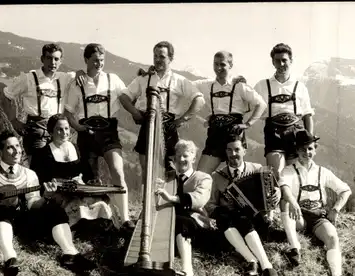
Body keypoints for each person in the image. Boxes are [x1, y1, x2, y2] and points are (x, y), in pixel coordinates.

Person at [0, 130, 95, 276]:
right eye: (10, 147)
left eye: (18, 146)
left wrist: (46, 197)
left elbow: (33, 203)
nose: (16, 151)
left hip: (21, 223)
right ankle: (10, 259)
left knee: (55, 211)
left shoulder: (29, 174)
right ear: (0, 151)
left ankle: (70, 254)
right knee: (3, 210)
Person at [63, 43, 134, 231]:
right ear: (86, 60)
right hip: (86, 133)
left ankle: (126, 219)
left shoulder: (113, 79)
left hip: (108, 131)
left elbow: (130, 95)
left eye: (102, 60)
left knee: (118, 172)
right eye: (95, 60)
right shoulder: (77, 83)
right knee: (91, 179)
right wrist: (78, 127)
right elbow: (69, 112)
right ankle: (95, 219)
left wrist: (143, 76)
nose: (99, 64)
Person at [279, 130, 354, 276]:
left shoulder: (323, 172)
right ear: (297, 150)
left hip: (318, 217)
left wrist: (335, 209)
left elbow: (345, 190)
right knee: (284, 203)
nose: (307, 153)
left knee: (333, 237)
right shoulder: (288, 171)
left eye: (310, 149)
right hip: (298, 217)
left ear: (315, 150)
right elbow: (284, 188)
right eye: (303, 149)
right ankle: (295, 249)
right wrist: (293, 202)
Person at [119, 41, 205, 183]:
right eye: (155, 56)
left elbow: (199, 100)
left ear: (171, 59)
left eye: (162, 57)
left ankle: (170, 200)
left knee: (172, 171)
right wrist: (135, 113)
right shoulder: (144, 78)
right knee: (146, 168)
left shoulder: (179, 80)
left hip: (169, 127)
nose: (158, 60)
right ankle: (147, 203)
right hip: (147, 123)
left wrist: (182, 119)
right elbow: (124, 96)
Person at [31, 114, 134, 230]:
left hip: (80, 191)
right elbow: (40, 180)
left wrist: (90, 182)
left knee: (101, 204)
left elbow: (87, 172)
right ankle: (79, 228)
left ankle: (101, 228)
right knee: (77, 207)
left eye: (66, 128)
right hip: (58, 195)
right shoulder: (42, 154)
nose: (64, 132)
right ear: (51, 132)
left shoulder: (77, 149)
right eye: (59, 129)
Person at [205, 134, 280, 276]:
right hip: (229, 223)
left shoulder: (257, 169)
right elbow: (210, 204)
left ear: (244, 150)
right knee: (228, 217)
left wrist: (277, 193)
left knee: (243, 218)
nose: (233, 154)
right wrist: (219, 211)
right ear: (225, 152)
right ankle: (254, 262)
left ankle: (265, 265)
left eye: (237, 149)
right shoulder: (217, 176)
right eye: (229, 150)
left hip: (256, 221)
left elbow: (273, 190)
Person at [3, 43, 84, 165]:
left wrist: (80, 72)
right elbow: (7, 95)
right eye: (49, 58)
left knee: (59, 165)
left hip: (57, 129)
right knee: (38, 167)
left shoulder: (65, 78)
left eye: (56, 59)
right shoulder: (29, 78)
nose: (53, 62)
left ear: (61, 61)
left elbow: (80, 74)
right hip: (36, 129)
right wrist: (14, 120)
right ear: (42, 59)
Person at [193, 51, 266, 175]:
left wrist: (248, 124)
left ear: (230, 65)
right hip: (215, 135)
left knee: (236, 175)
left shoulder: (239, 86)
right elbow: (182, 85)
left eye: (222, 64)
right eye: (215, 64)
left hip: (234, 135)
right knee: (201, 175)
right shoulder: (206, 85)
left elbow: (261, 104)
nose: (218, 68)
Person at [155, 140, 212, 276]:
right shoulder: (168, 177)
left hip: (196, 223)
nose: (181, 159)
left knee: (180, 221)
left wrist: (172, 198)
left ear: (193, 158)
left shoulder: (203, 178)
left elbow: (199, 200)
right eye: (178, 156)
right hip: (170, 225)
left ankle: (188, 273)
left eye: (185, 156)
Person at [253, 43, 315, 181]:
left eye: (284, 60)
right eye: (277, 60)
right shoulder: (262, 85)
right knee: (277, 177)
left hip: (297, 135)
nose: (281, 64)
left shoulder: (300, 87)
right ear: (273, 62)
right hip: (274, 134)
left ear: (291, 61)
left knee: (296, 179)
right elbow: (247, 106)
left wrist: (308, 140)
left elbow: (307, 115)